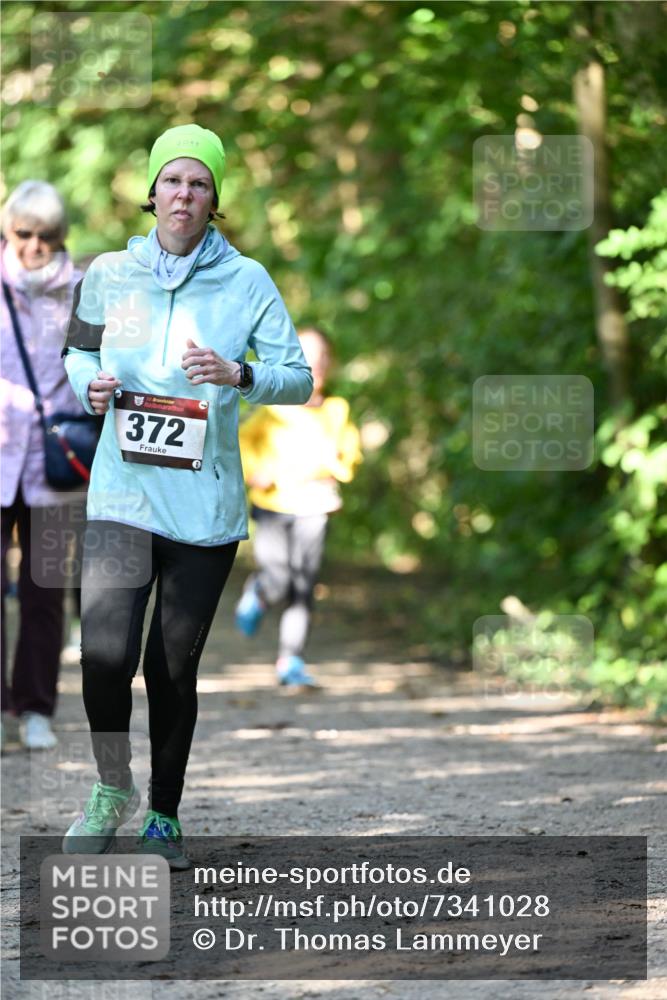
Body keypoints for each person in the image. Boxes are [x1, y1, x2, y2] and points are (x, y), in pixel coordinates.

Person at [60, 123, 312, 868]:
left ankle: (163, 814)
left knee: (171, 668)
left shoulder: (247, 281)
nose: (184, 194)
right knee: (104, 656)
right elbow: (77, 353)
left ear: (214, 201)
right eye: (172, 180)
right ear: (152, 191)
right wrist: (91, 388)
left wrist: (240, 375)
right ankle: (113, 788)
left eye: (199, 183)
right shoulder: (109, 273)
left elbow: (296, 376)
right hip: (120, 499)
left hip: (203, 512)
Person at [1, 181, 86, 750]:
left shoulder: (84, 291)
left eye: (46, 236)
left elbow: (105, 364)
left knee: (44, 588)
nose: (33, 246)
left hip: (55, 464)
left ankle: (35, 708)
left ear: (61, 237)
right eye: (23, 234)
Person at [235, 327, 361, 686]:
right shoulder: (273, 409)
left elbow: (348, 455)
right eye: (307, 358)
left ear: (330, 366)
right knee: (278, 577)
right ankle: (259, 592)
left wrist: (336, 466)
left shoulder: (337, 411)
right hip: (273, 505)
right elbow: (242, 441)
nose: (315, 366)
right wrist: (253, 472)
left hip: (315, 506)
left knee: (303, 585)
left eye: (322, 360)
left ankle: (290, 660)